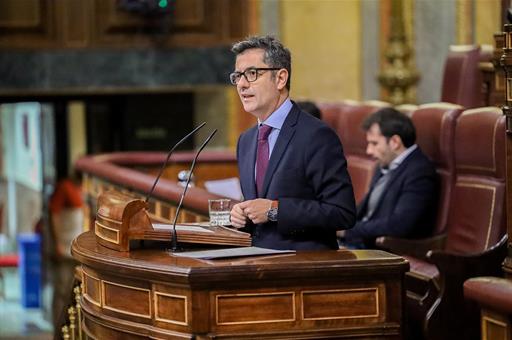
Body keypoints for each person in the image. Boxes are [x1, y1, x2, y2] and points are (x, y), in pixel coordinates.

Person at [228, 35, 356, 250]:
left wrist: (274, 210)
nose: (241, 84)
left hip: (302, 266)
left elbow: (342, 212)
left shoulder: (316, 135)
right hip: (254, 263)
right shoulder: (246, 140)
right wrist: (241, 214)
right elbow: (258, 209)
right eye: (238, 76)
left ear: (280, 78)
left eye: (252, 73)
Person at [341, 108, 438, 249]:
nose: (369, 150)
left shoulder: (420, 171)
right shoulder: (383, 164)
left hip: (384, 250)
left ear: (395, 142)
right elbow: (366, 210)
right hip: (360, 242)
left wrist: (347, 231)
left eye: (374, 143)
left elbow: (400, 224)